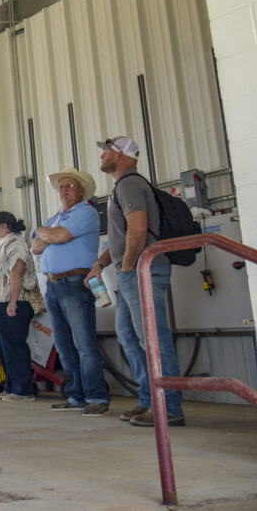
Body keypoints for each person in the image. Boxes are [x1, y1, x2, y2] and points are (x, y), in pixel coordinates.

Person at [87, 136, 185, 427]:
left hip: (142, 271)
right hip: (133, 271)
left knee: (153, 339)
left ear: (119, 155)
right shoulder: (122, 186)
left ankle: (169, 407)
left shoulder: (130, 183)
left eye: (106, 151)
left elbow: (138, 230)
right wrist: (101, 263)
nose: (102, 155)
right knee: (130, 337)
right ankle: (148, 400)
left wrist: (128, 267)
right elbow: (123, 235)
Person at [32, 167, 110, 416]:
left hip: (75, 282)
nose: (64, 189)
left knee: (84, 343)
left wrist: (43, 231)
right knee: (65, 345)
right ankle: (76, 395)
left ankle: (96, 396)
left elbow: (61, 236)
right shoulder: (56, 217)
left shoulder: (85, 212)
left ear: (81, 191)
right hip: (54, 285)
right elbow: (35, 246)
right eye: (61, 186)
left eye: (70, 185)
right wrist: (47, 234)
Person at [0, 212, 39, 401]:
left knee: (14, 344)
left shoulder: (15, 243)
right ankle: (12, 385)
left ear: (4, 225)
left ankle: (23, 389)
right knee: (4, 346)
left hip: (11, 300)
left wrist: (13, 301)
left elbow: (17, 270)